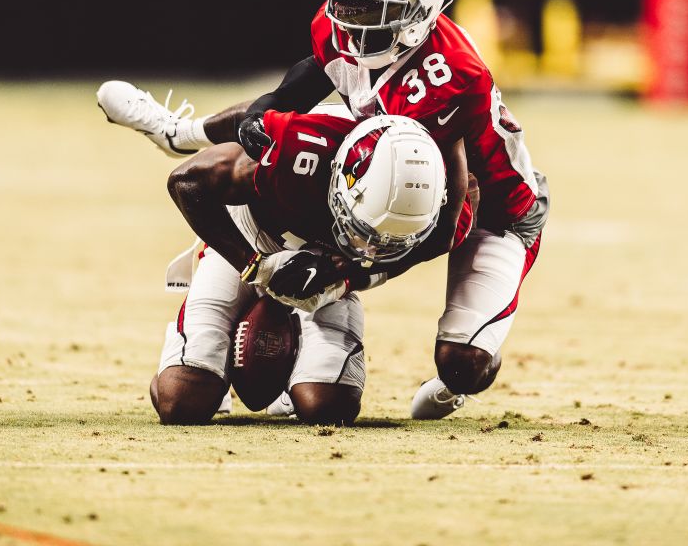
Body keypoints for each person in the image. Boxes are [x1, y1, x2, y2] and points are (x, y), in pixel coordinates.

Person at [98, 0, 547, 420]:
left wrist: (349, 277)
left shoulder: (449, 83)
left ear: (421, 13)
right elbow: (308, 77)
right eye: (349, 5)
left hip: (486, 207)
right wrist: (251, 122)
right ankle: (182, 133)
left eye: (375, 13)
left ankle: (453, 381)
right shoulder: (341, 79)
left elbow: (448, 219)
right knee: (272, 140)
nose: (353, 27)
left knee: (463, 361)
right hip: (375, 166)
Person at [145, 109, 471, 425]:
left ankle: (290, 373)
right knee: (182, 403)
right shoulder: (299, 148)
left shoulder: (443, 205)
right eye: (369, 230)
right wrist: (256, 266)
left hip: (331, 271)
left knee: (328, 408)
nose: (373, 246)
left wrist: (348, 281)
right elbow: (187, 181)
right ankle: (212, 353)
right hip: (251, 242)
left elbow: (432, 243)